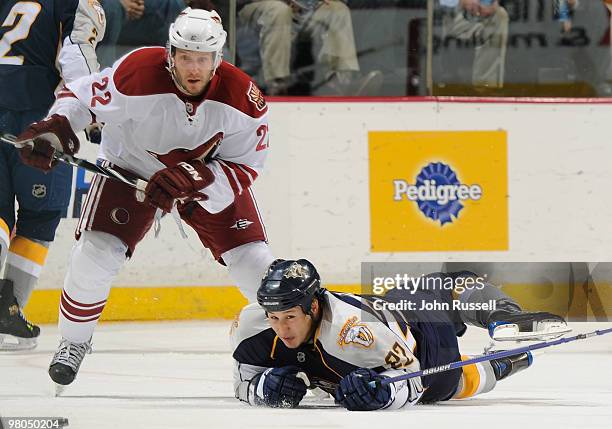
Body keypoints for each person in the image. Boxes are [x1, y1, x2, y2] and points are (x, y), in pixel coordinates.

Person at [14, 7, 275, 388]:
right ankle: (73, 343)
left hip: (205, 175)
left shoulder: (243, 99)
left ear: (218, 59)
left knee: (254, 262)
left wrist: (195, 178)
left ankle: (305, 338)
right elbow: (82, 98)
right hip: (129, 166)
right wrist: (56, 129)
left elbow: (247, 166)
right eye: (185, 57)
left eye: (202, 59)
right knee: (95, 252)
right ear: (170, 53)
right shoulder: (137, 71)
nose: (193, 69)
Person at [231, 259, 569, 410]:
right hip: (400, 336)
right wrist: (263, 388)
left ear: (313, 308)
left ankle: (504, 317)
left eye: (290, 316)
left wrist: (383, 395)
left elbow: (412, 380)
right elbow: (243, 383)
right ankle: (505, 363)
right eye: (273, 317)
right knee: (450, 385)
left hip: (422, 340)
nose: (282, 328)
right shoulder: (254, 327)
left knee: (448, 284)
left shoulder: (355, 331)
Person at [0, 0, 106, 350]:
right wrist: (93, 111)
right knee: (40, 215)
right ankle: (7, 311)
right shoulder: (74, 2)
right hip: (38, 119)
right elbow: (77, 54)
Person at [237, 0, 382, 96]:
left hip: (304, 8)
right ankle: (277, 86)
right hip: (256, 6)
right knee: (279, 10)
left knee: (337, 9)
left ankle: (342, 83)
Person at [439, 0, 509, 89]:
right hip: (448, 11)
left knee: (499, 15)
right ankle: (484, 87)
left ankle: (485, 88)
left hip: (479, 13)